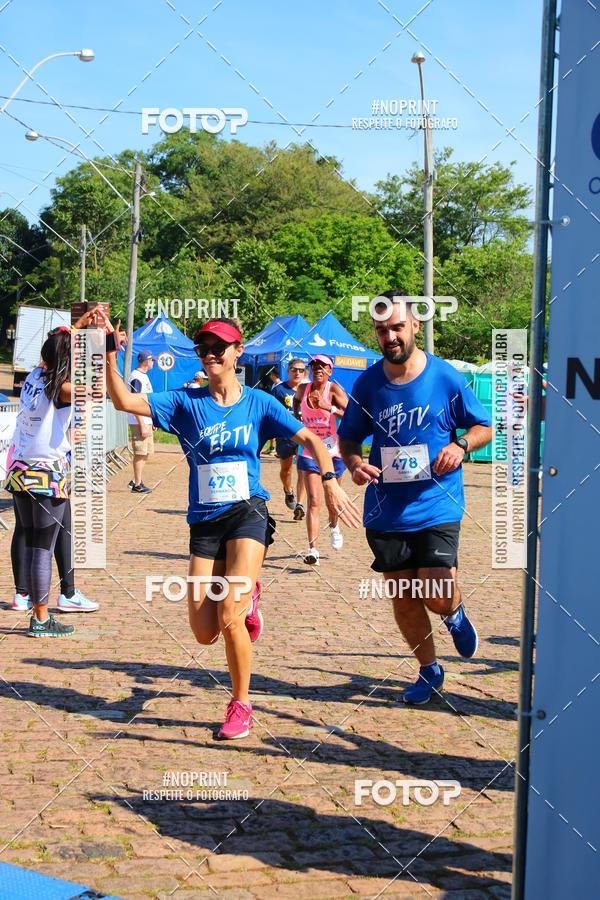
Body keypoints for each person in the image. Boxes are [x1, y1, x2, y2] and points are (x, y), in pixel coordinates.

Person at [101, 314, 361, 740]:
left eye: (219, 348)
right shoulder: (187, 402)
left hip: (248, 512)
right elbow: (123, 402)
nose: (210, 355)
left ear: (238, 352)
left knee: (229, 614)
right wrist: (111, 354)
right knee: (204, 633)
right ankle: (250, 594)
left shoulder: (260, 402)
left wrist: (331, 483)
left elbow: (312, 440)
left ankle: (241, 702)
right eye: (203, 349)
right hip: (204, 521)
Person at [338, 291, 493, 704]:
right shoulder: (368, 383)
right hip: (386, 512)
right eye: (382, 329)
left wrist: (460, 446)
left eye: (397, 327)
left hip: (436, 504)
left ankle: (454, 613)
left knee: (436, 593)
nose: (390, 336)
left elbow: (484, 426)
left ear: (415, 326)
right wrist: (354, 464)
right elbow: (348, 436)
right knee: (405, 601)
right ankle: (429, 670)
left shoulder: (445, 378)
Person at [4, 311, 97, 637]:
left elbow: (56, 346)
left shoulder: (32, 378)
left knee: (31, 544)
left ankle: (31, 603)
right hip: (46, 474)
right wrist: (107, 348)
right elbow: (98, 390)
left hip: (19, 471)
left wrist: (79, 326)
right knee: (43, 548)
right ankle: (41, 618)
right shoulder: (64, 389)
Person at [294, 353, 348, 565]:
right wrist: (297, 418)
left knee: (331, 500)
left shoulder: (333, 389)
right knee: (314, 500)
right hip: (310, 450)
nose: (318, 369)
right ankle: (313, 549)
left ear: (330, 371)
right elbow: (296, 404)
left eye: (323, 366)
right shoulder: (302, 389)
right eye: (314, 365)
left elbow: (351, 413)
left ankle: (334, 526)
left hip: (333, 451)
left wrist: (328, 407)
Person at [10, 494, 99, 613]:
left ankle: (22, 594)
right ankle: (68, 594)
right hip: (49, 480)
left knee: (22, 527)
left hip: (19, 478)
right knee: (63, 524)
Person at [270, 358, 307, 519]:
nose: (297, 372)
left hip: (304, 434)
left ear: (305, 372)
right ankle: (288, 490)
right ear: (288, 371)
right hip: (285, 435)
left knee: (304, 469)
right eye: (294, 369)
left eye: (300, 370)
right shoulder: (279, 390)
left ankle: (300, 504)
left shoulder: (309, 389)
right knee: (286, 470)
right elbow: (271, 411)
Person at [128, 350, 154, 494]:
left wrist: (151, 420)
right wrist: (142, 423)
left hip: (146, 419)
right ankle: (137, 484)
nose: (153, 363)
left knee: (146, 452)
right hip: (139, 421)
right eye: (152, 360)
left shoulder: (143, 376)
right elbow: (134, 401)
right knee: (140, 452)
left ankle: (135, 479)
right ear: (146, 361)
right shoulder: (136, 377)